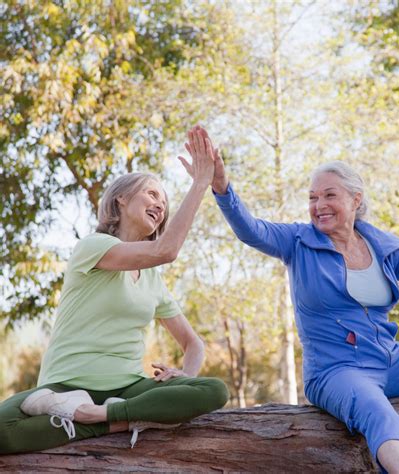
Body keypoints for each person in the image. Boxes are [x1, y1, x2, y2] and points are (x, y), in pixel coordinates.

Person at [203, 127, 399, 474]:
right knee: (379, 413)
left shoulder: (385, 248)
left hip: (389, 359)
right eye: (313, 198)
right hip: (335, 371)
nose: (319, 206)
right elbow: (251, 229)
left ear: (355, 200)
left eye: (329, 195)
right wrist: (222, 186)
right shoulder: (297, 241)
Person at [0, 126, 229, 454]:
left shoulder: (153, 279)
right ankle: (112, 422)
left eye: (163, 202)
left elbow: (193, 343)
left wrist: (183, 373)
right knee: (2, 430)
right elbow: (166, 249)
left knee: (213, 390)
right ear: (121, 198)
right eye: (152, 194)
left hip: (125, 389)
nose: (160, 205)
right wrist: (200, 183)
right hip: (64, 386)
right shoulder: (93, 247)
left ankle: (105, 416)